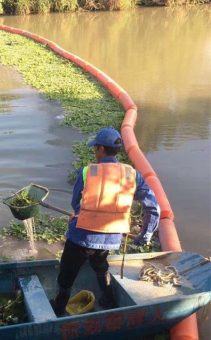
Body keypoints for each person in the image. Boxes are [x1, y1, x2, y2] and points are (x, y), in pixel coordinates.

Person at [51, 128, 160, 316]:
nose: (95, 152)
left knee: (67, 272)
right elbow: (153, 207)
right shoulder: (132, 174)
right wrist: (146, 234)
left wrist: (81, 213)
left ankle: (59, 308)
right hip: (110, 238)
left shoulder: (87, 172)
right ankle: (108, 299)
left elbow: (75, 203)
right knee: (100, 264)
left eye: (95, 148)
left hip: (81, 235)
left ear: (101, 149)